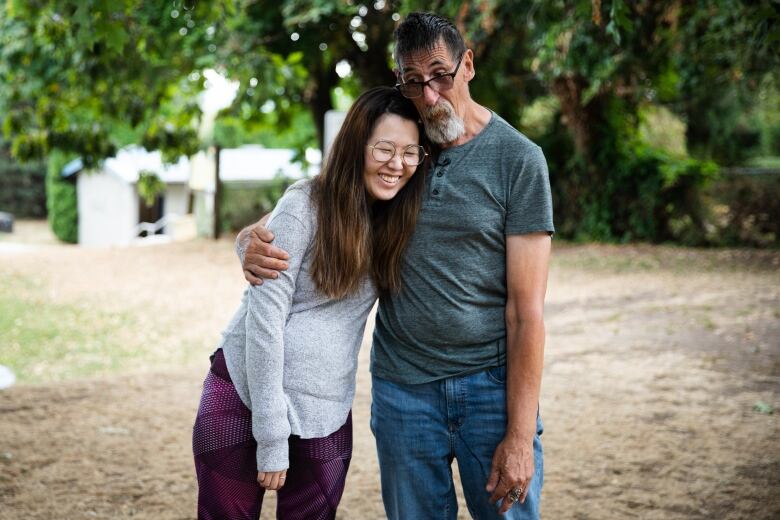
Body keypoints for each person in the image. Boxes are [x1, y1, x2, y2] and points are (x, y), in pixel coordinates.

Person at [238, 12, 554, 520]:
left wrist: (519, 434)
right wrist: (246, 243)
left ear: (467, 65)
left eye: (440, 75)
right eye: (413, 81)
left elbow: (526, 313)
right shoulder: (401, 147)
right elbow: (319, 205)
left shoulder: (518, 160)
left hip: (489, 389)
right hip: (403, 391)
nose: (429, 95)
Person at [192, 86, 429, 520]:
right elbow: (264, 319)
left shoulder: (400, 220)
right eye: (385, 149)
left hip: (327, 410)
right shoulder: (305, 203)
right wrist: (271, 436)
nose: (397, 164)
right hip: (244, 394)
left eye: (411, 152)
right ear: (357, 146)